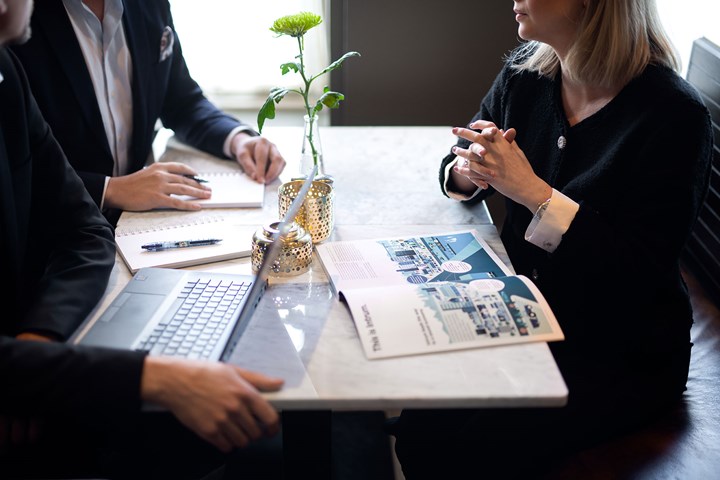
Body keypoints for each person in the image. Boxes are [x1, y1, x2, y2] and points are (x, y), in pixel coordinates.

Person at [387, 0, 714, 478]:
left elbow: (639, 270)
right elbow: (459, 158)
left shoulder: (674, 114)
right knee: (420, 429)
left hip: (620, 349)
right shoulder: (525, 76)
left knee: (469, 451)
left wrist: (532, 192)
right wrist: (470, 169)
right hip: (520, 314)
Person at [0, 1, 283, 477]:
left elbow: (85, 230)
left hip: (72, 292)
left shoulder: (6, 69)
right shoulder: (22, 42)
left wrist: (38, 346)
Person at [9, 0, 286, 227]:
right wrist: (110, 190)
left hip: (139, 222)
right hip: (57, 235)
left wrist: (238, 139)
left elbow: (181, 101)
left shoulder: (150, 4)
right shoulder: (16, 18)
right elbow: (16, 169)